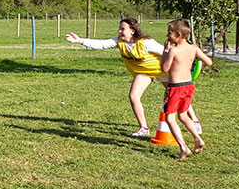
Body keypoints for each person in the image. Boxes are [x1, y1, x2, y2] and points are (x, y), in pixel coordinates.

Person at [66, 18, 200, 137]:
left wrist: (190, 64)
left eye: (122, 29)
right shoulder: (119, 42)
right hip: (143, 73)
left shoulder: (146, 43)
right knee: (133, 96)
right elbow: (101, 44)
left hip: (163, 71)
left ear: (132, 31)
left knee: (178, 96)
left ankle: (195, 121)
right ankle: (144, 128)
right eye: (119, 29)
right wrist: (80, 41)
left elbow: (170, 52)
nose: (119, 32)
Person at [160, 19, 212, 160]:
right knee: (183, 115)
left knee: (170, 118)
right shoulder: (194, 48)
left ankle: (184, 148)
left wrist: (165, 51)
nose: (167, 35)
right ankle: (197, 138)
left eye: (169, 33)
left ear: (178, 35)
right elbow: (209, 62)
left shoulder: (174, 50)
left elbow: (164, 68)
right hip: (188, 86)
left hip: (175, 88)